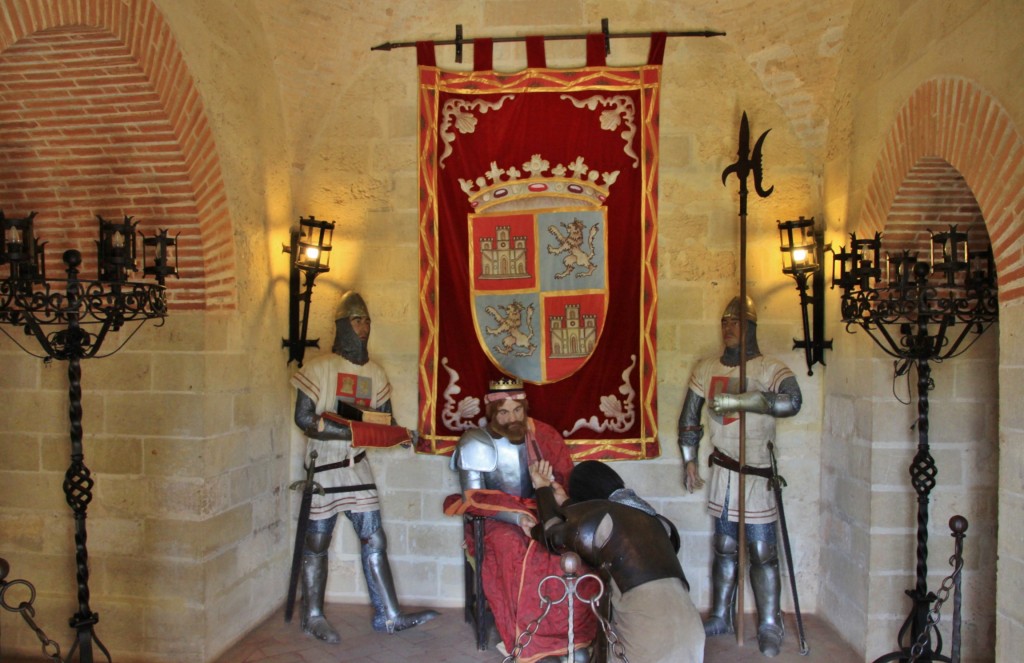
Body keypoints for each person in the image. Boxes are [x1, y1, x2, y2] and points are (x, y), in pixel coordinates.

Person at [291, 291, 438, 642]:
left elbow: (383, 421)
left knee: (374, 538)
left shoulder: (375, 372)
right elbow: (304, 419)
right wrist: (353, 429)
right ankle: (313, 615)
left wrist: (401, 434)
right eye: (357, 320)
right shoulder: (318, 368)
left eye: (367, 320)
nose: (363, 327)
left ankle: (388, 614)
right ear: (342, 325)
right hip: (324, 466)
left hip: (357, 468)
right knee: (316, 542)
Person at [677, 296, 802, 657]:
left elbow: (792, 402)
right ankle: (720, 614)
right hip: (724, 471)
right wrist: (689, 460)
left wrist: (740, 402)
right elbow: (690, 417)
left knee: (762, 550)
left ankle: (768, 622)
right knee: (725, 547)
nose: (729, 328)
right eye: (724, 323)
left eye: (736, 323)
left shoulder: (768, 368)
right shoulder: (706, 367)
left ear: (750, 328)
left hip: (758, 473)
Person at [449, 377, 596, 663]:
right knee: (515, 552)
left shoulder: (544, 435)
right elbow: (474, 498)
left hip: (541, 510)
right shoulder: (475, 442)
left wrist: (554, 490)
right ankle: (530, 640)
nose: (512, 418)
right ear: (492, 413)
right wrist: (516, 518)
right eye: (503, 412)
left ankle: (567, 637)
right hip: (496, 518)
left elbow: (565, 484)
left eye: (517, 411)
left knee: (562, 551)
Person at [529, 459, 706, 663]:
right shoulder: (655, 519)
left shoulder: (601, 516)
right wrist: (568, 502)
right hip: (693, 635)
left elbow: (552, 535)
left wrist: (542, 488)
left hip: (648, 642)